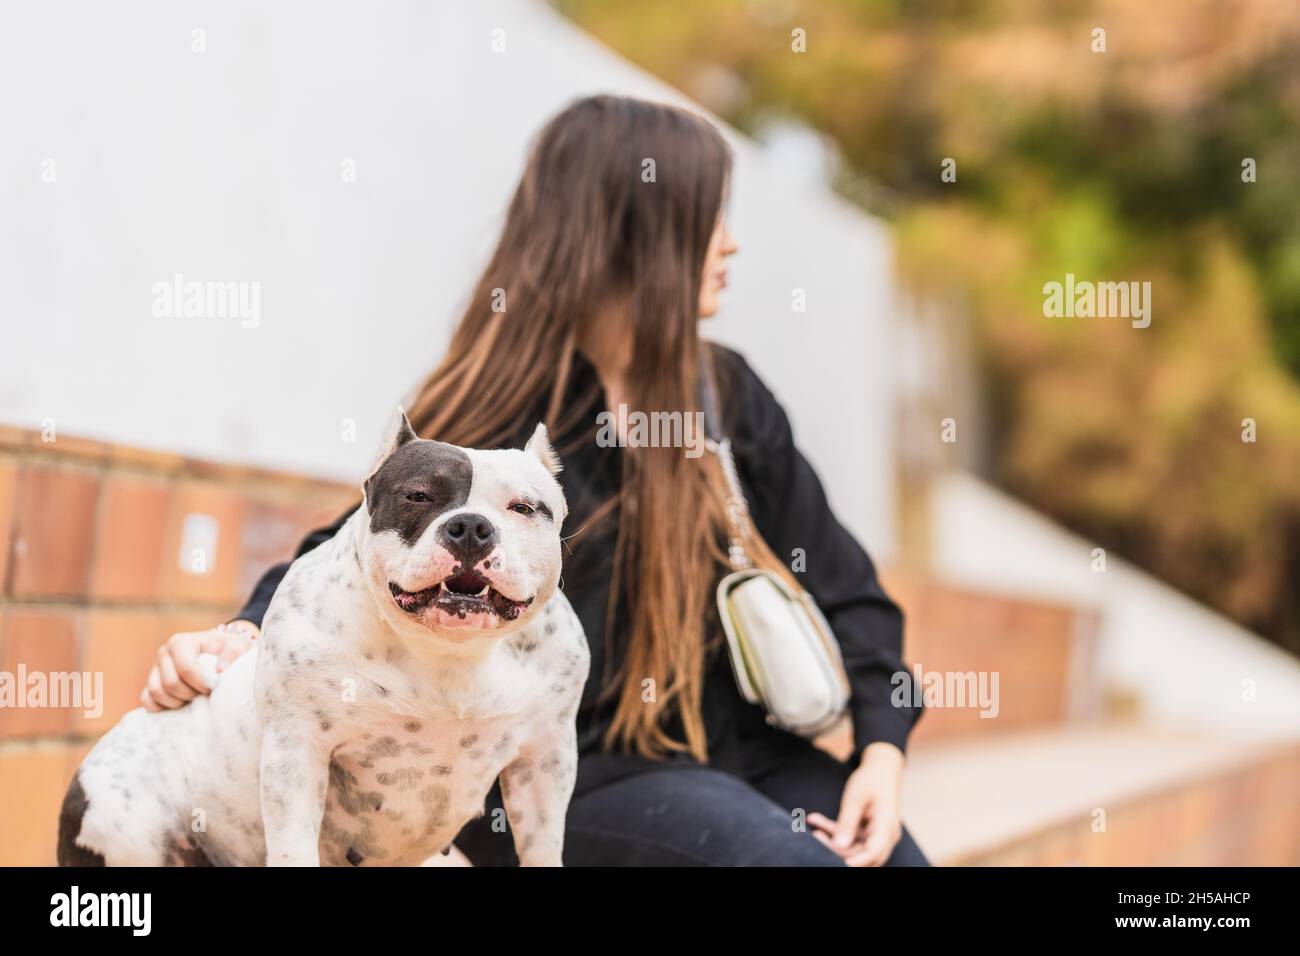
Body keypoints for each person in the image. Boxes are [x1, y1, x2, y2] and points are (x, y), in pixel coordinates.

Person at [141, 95, 927, 867]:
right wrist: (237, 635)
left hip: (734, 751)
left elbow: (847, 587)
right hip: (554, 765)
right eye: (705, 218)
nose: (729, 246)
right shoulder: (500, 407)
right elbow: (354, 548)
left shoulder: (724, 392)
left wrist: (881, 758)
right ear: (628, 237)